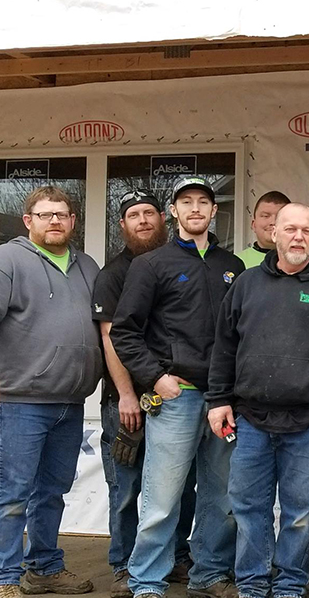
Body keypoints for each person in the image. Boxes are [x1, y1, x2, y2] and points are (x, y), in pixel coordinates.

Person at [111, 177, 245, 598]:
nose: (195, 209)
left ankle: (209, 576)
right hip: (177, 398)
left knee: (221, 497)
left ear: (214, 211)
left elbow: (241, 334)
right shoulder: (151, 265)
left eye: (203, 202)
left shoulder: (233, 267)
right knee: (162, 499)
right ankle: (147, 582)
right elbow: (124, 332)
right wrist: (156, 378)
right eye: (186, 202)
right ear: (173, 212)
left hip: (223, 401)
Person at [206, 203, 309, 598]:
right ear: (274, 234)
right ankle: (251, 584)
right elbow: (224, 346)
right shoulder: (246, 284)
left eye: (306, 231)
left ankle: (289, 586)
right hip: (250, 420)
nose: (298, 237)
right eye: (290, 229)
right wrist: (218, 400)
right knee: (248, 508)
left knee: (300, 513)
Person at [91, 190, 197, 598]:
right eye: (133, 215)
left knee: (178, 486)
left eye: (149, 213)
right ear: (122, 224)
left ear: (162, 218)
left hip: (173, 398)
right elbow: (111, 338)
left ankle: (176, 557)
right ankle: (124, 565)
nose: (143, 221)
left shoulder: (176, 263)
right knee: (127, 488)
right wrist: (126, 396)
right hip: (130, 401)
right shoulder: (113, 274)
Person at [0, 186, 103, 598]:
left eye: (62, 214)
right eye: (45, 215)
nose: (55, 221)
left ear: (73, 221)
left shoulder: (88, 265)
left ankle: (44, 568)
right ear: (29, 221)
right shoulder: (8, 260)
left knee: (52, 493)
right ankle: (5, 578)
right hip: (19, 402)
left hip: (71, 402)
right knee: (12, 495)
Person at [235, 191, 291, 268]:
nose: (273, 222)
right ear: (253, 225)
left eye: (279, 216)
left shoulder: (303, 261)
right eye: (265, 216)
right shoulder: (236, 262)